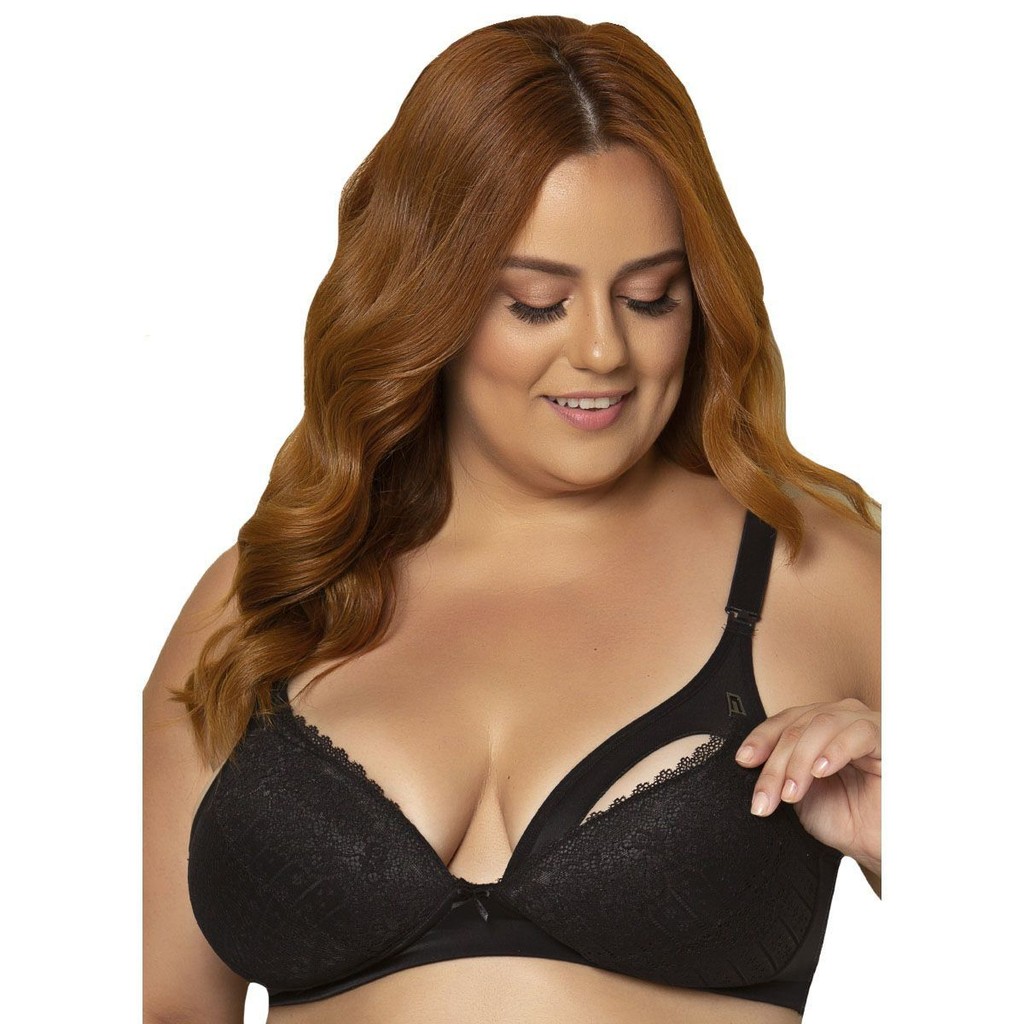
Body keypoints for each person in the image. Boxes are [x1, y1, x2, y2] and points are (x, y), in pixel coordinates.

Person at [143, 14, 880, 1024]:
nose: (604, 351)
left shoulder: (829, 580)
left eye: (651, 297)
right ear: (427, 301)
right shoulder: (264, 597)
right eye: (536, 303)